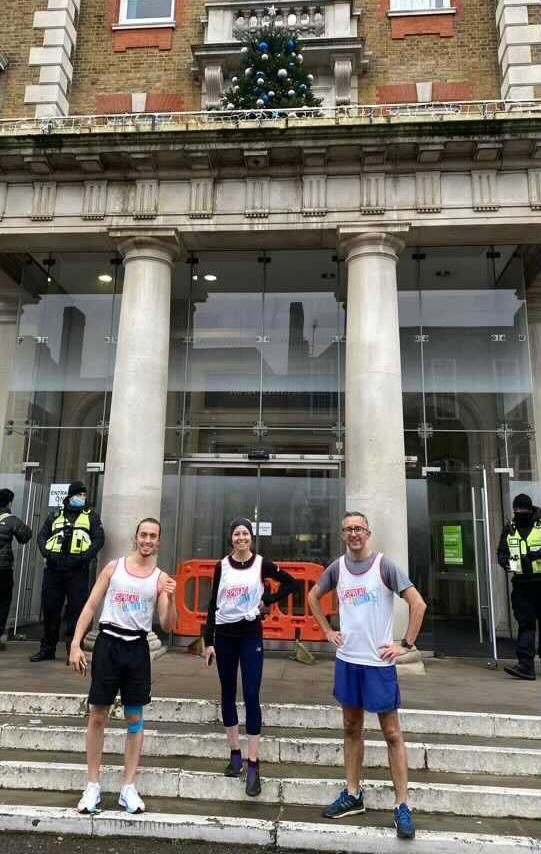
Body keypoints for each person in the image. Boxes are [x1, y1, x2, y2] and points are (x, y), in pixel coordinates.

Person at [307, 511, 426, 841]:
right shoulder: (337, 568)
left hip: (378, 664)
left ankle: (402, 805)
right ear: (342, 535)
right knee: (351, 727)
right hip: (348, 660)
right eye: (348, 529)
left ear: (368, 533)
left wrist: (405, 644)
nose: (354, 534)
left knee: (392, 733)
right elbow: (312, 596)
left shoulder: (384, 566)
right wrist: (327, 631)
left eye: (358, 528)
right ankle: (353, 794)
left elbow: (418, 604)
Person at [69, 517, 177, 815]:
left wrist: (170, 597)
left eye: (153, 536)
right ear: (136, 537)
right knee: (98, 715)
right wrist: (76, 643)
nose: (147, 540)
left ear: (158, 541)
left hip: (137, 648)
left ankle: (128, 786)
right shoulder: (113, 568)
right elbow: (91, 606)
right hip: (108, 644)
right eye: (144, 534)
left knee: (135, 718)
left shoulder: (160, 578)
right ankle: (92, 785)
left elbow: (168, 624)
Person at [204, 517, 298, 797]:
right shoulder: (221, 566)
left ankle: (254, 763)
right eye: (237, 534)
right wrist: (208, 642)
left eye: (245, 533)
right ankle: (235, 753)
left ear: (251, 538)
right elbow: (212, 604)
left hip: (250, 635)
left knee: (252, 693)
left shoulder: (261, 564)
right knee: (227, 692)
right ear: (231, 538)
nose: (241, 538)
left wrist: (268, 600)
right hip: (225, 635)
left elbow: (291, 583)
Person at [31, 481, 104, 662]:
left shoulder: (91, 516)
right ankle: (47, 649)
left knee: (77, 610)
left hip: (77, 570)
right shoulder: (55, 514)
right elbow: (42, 536)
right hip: (54, 569)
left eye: (84, 495)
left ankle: (74, 649)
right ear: (71, 496)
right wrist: (48, 554)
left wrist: (84, 557)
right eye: (79, 494)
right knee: (50, 608)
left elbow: (99, 539)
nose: (82, 498)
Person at [497, 493, 541, 680]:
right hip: (522, 584)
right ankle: (526, 666)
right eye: (516, 509)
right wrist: (507, 564)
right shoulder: (510, 529)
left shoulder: (540, 525)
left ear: (530, 509)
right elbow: (501, 552)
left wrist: (534, 555)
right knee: (525, 624)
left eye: (522, 509)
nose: (519, 512)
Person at [0, 488, 32, 650]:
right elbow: (25, 535)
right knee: (3, 602)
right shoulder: (10, 520)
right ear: (9, 503)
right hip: (3, 569)